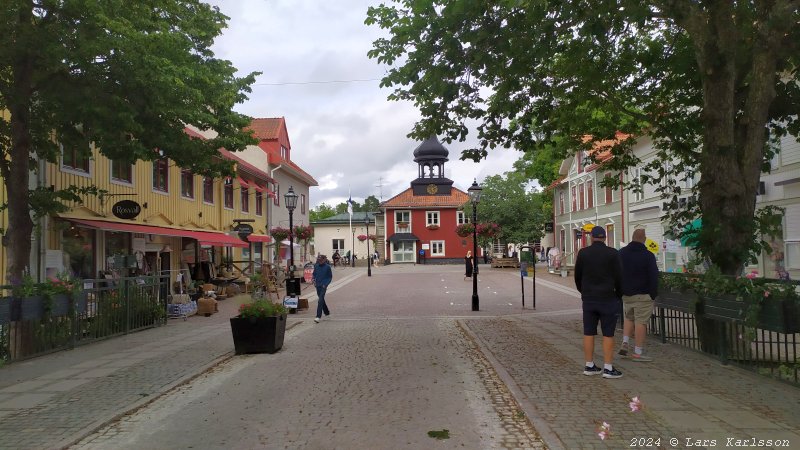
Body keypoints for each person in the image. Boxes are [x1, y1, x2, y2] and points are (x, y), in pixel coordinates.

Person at [574, 226, 624, 379]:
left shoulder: (583, 253)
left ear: (591, 237)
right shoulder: (613, 254)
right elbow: (620, 277)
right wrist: (618, 295)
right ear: (604, 238)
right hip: (608, 298)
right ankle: (608, 368)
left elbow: (577, 276)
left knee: (588, 331)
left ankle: (589, 365)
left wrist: (584, 292)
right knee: (608, 333)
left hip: (589, 299)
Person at [618, 229, 659, 362]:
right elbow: (654, 276)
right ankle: (637, 352)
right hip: (643, 295)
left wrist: (620, 290)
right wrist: (653, 294)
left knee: (629, 318)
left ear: (632, 237)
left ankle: (625, 342)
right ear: (644, 239)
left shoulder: (622, 253)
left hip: (627, 294)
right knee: (641, 322)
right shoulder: (648, 255)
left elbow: (617, 272)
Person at [311, 254, 333, 323]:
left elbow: (330, 277)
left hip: (323, 286)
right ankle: (327, 313)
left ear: (324, 260)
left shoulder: (328, 267)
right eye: (318, 260)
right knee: (322, 300)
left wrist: (325, 284)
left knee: (320, 300)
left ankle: (318, 316)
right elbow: (314, 274)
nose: (319, 261)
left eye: (320, 260)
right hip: (317, 285)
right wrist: (313, 279)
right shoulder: (316, 266)